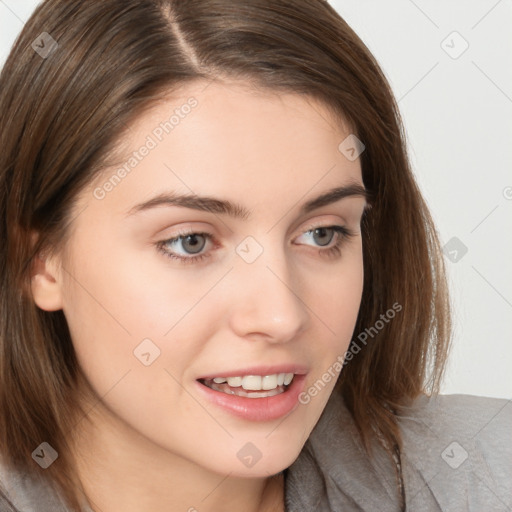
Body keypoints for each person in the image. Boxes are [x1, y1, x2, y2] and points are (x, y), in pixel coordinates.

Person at [0, 1, 510, 511]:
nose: (281, 316)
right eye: (190, 241)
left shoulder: (483, 473)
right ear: (40, 259)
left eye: (322, 234)